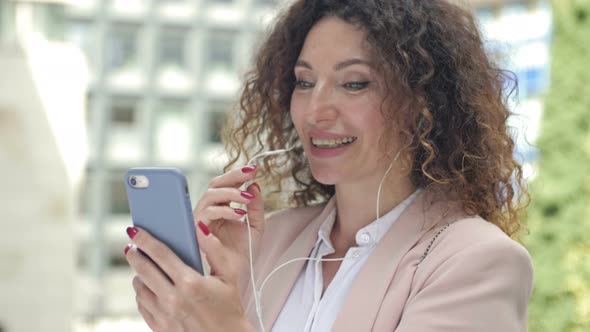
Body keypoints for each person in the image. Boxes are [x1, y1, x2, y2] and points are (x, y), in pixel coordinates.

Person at [124, 0, 534, 331]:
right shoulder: (264, 243)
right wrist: (194, 303)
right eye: (304, 82)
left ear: (422, 105)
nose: (315, 110)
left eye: (354, 83)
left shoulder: (477, 261)